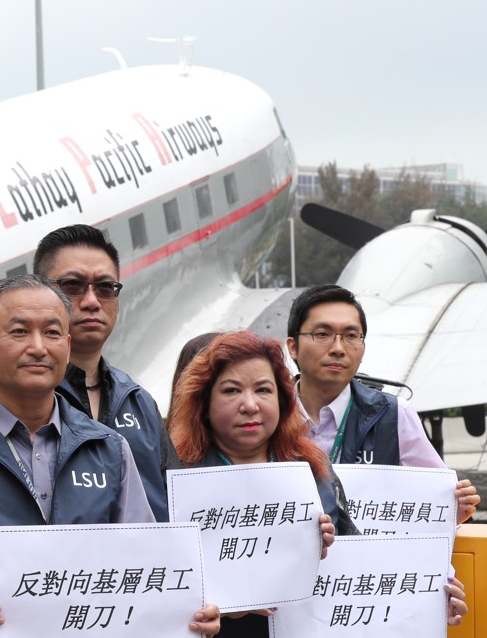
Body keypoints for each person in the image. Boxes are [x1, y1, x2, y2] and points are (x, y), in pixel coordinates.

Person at [0, 275, 220, 637]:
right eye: (19, 332)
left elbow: (141, 560)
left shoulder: (109, 448)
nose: (39, 347)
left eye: (53, 333)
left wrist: (185, 609)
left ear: (68, 345)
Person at [167, 330, 466, 635]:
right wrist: (223, 606)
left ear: (283, 399)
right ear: (203, 402)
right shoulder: (174, 478)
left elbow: (362, 571)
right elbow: (157, 587)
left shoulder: (313, 468)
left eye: (263, 390)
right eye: (231, 391)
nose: (250, 405)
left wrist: (431, 599)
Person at [286, 284, 479, 523]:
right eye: (322, 334)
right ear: (293, 347)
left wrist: (455, 511)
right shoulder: (268, 416)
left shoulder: (394, 415)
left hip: (365, 559)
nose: (338, 348)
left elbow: (439, 502)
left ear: (363, 347)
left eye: (351, 336)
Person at [33, 224, 171, 520]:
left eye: (106, 288)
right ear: (39, 292)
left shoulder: (139, 402)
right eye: (73, 286)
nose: (92, 301)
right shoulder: (18, 402)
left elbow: (175, 505)